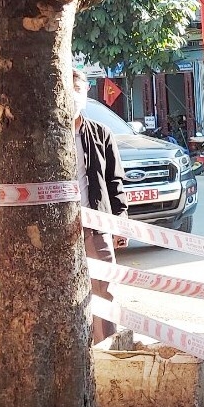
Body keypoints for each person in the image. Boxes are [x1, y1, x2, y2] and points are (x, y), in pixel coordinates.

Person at [72, 69, 128, 344]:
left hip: (96, 224)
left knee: (104, 287)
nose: (73, 95)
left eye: (78, 89)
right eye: (67, 89)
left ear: (86, 93)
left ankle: (106, 346)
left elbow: (114, 180)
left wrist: (120, 222)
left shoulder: (100, 133)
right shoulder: (46, 137)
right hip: (59, 229)